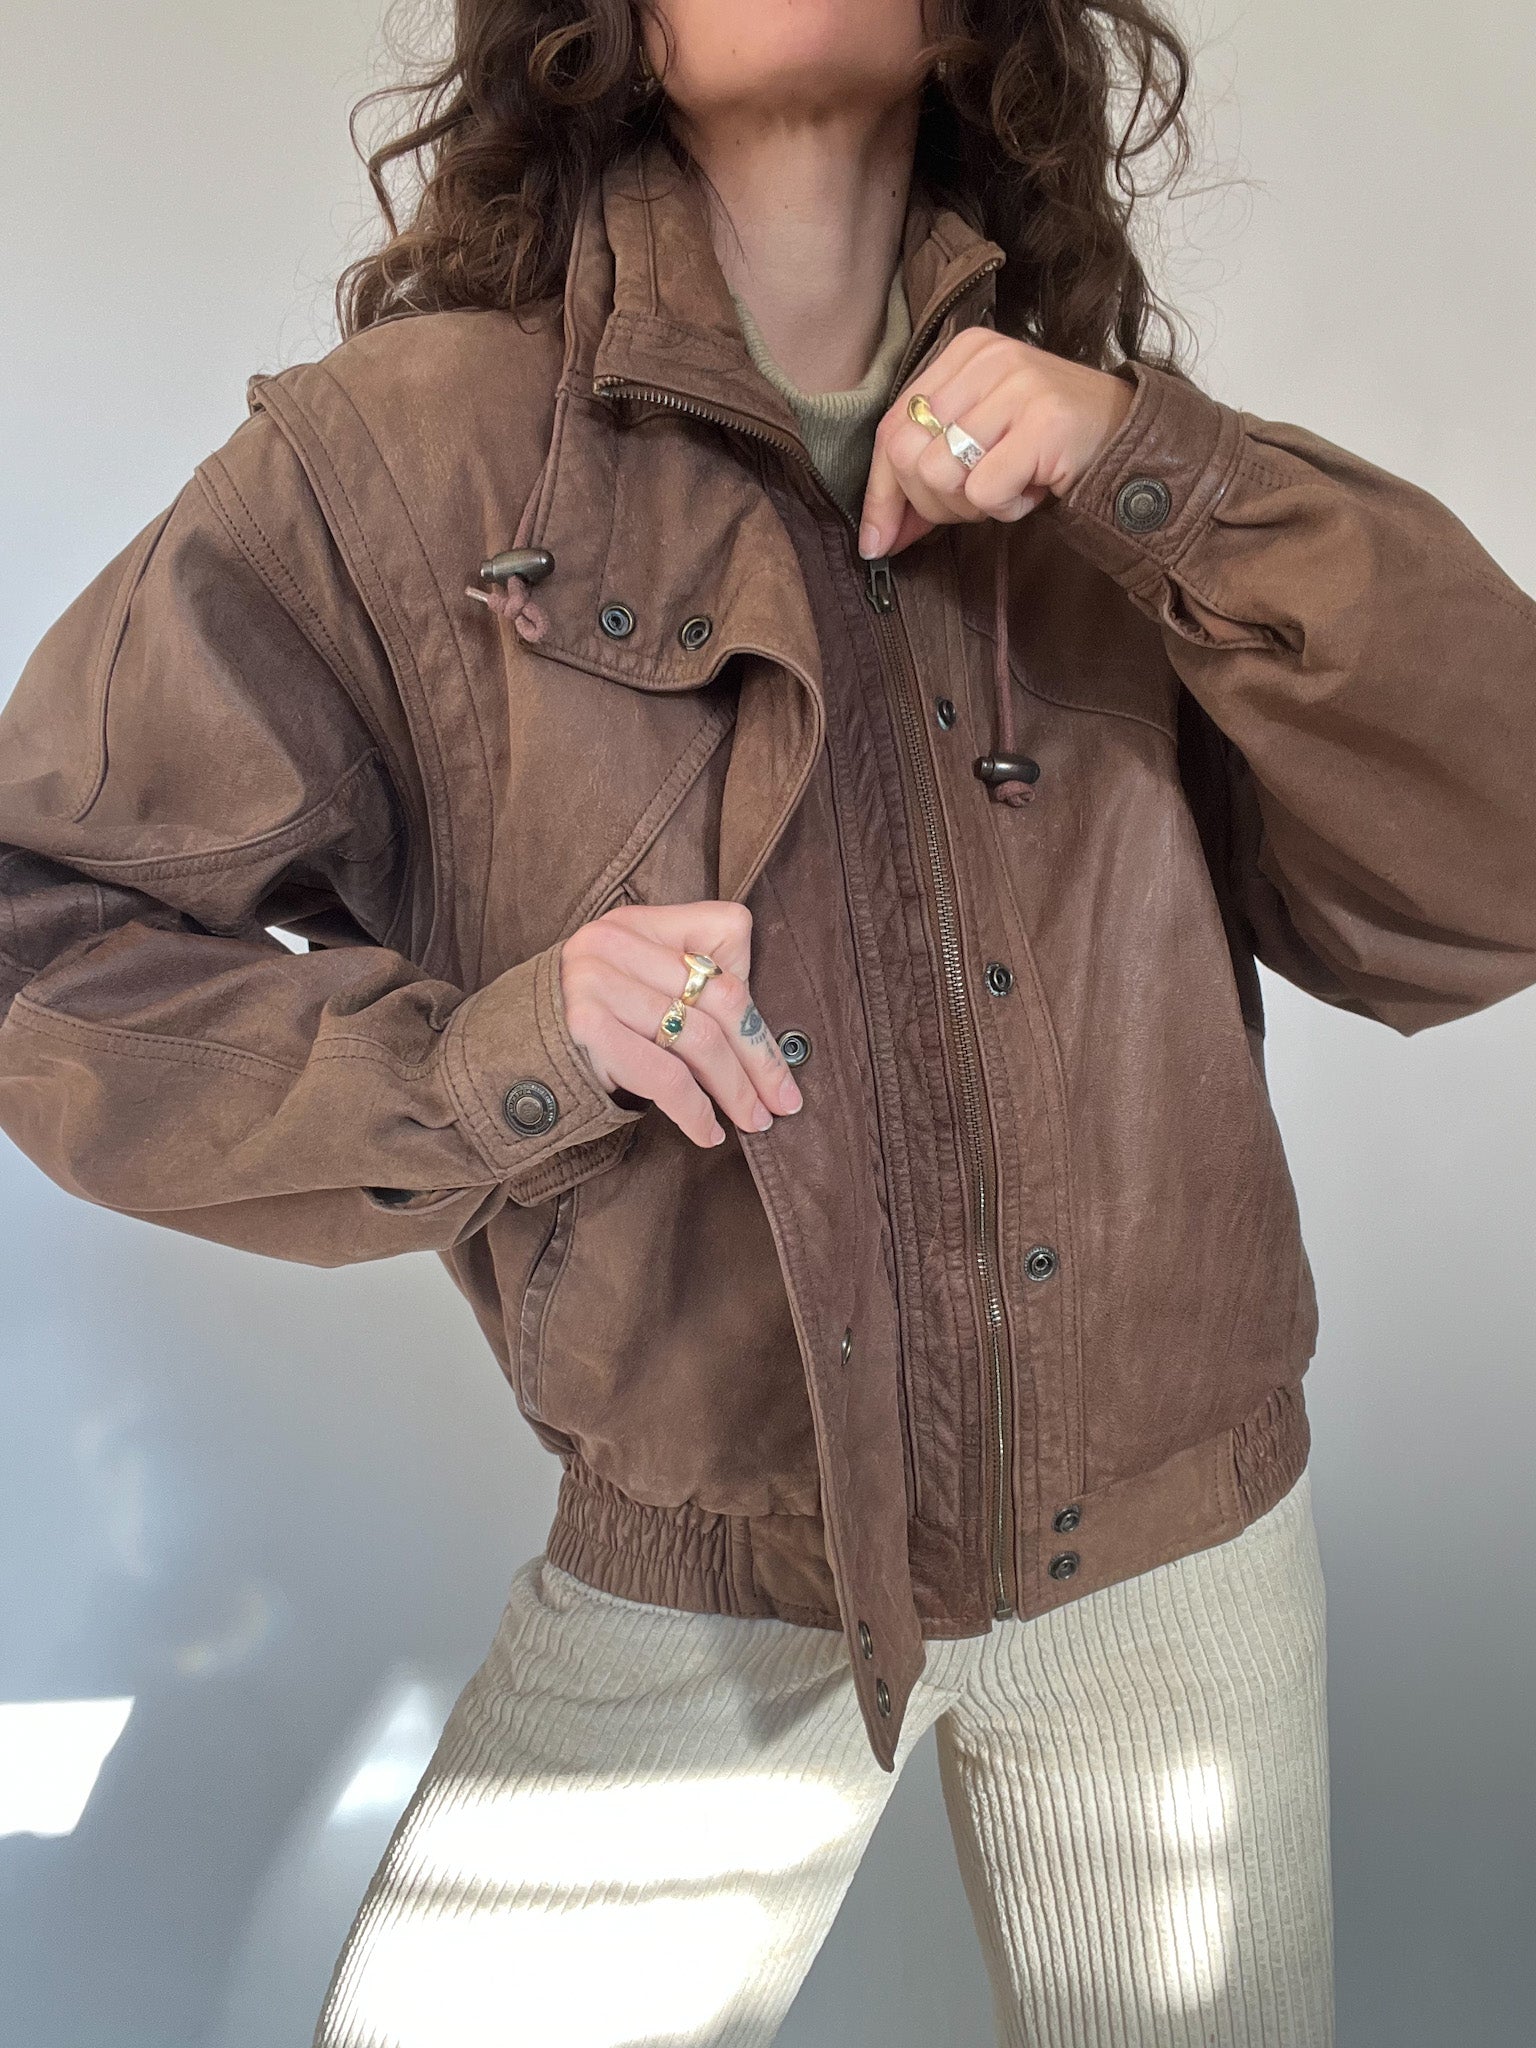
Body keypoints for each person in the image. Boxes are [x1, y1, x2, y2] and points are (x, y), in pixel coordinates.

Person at [2, 1, 1533, 2042]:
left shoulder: (1099, 464)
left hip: (1178, 1549)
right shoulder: (402, 459)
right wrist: (505, 1054)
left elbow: (1495, 858)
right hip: (707, 1573)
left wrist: (1154, 466)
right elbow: (43, 922)